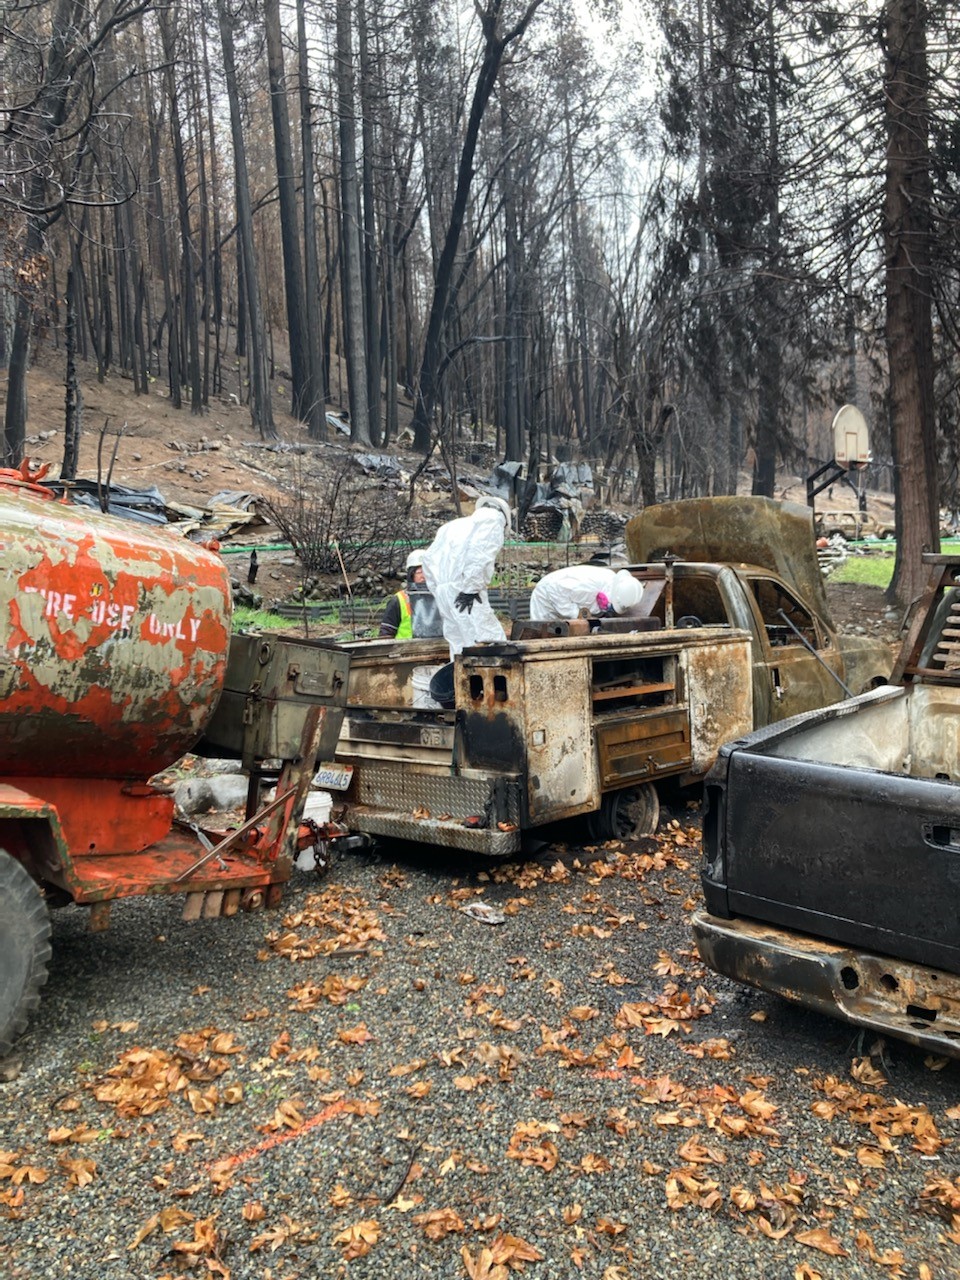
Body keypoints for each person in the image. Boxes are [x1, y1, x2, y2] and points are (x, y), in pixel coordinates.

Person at [420, 495, 510, 658]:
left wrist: (438, 591)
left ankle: (459, 676)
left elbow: (427, 560)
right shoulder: (493, 519)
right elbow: (480, 553)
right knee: (489, 644)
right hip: (465, 590)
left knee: (458, 647)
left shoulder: (450, 527)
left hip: (444, 591)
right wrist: (470, 589)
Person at [529, 565, 643, 622]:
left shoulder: (611, 585)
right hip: (546, 598)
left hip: (565, 599)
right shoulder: (587, 586)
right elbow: (555, 589)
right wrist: (576, 614)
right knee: (543, 634)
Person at [379, 551, 443, 639]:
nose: (424, 576)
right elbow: (386, 634)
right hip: (405, 647)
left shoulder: (442, 597)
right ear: (411, 574)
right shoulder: (399, 600)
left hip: (437, 647)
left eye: (428, 571)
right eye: (420, 572)